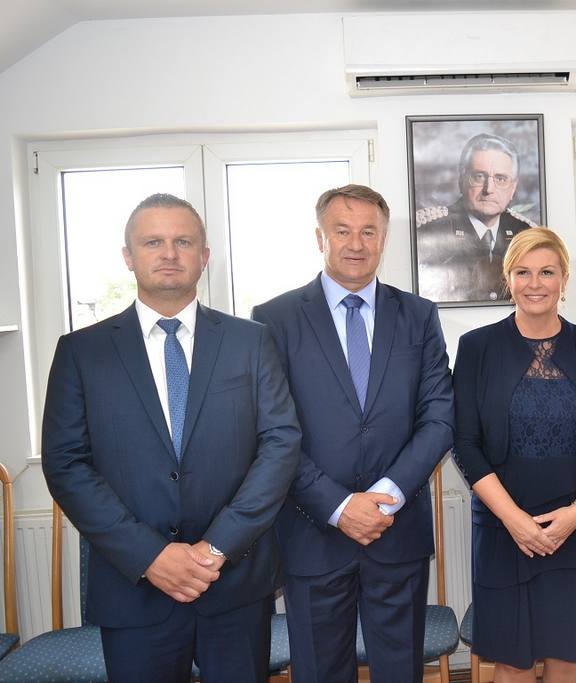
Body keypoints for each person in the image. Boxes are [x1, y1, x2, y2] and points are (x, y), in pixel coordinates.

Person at [41, 193, 301, 683]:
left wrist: (216, 548)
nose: (168, 253)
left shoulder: (250, 341)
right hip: (135, 588)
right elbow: (66, 464)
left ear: (204, 256)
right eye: (153, 242)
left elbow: (280, 444)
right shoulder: (82, 352)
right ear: (128, 256)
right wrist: (152, 556)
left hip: (234, 583)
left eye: (183, 241)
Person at [251, 184, 455, 683]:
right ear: (319, 237)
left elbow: (439, 416)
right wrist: (340, 506)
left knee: (401, 671)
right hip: (313, 531)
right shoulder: (273, 319)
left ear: (384, 239)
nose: (356, 244)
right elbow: (273, 429)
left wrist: (387, 496)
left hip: (395, 530)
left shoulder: (419, 315)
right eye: (342, 231)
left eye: (369, 232)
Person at [453, 227, 576, 682]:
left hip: (575, 529)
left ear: (564, 279)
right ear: (507, 278)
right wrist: (514, 520)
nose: (535, 283)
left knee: (569, 656)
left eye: (547, 272)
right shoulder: (476, 347)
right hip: (502, 530)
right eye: (523, 272)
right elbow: (465, 443)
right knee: (513, 662)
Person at [417, 133, 536, 303]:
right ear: (461, 181)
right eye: (479, 177)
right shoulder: (430, 229)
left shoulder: (526, 233)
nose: (489, 189)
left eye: (501, 179)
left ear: (513, 188)